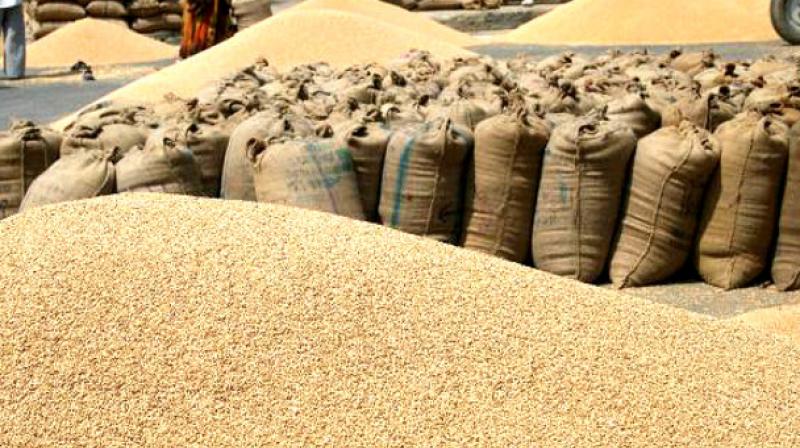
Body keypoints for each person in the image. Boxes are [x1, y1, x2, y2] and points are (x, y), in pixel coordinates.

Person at [0, 0, 25, 79]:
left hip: (15, 3)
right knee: (15, 36)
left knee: (15, 36)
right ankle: (14, 71)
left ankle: (14, 71)